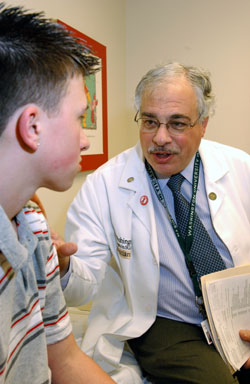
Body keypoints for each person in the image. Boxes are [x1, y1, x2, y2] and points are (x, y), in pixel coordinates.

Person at [61, 62, 250, 383]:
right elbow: (82, 286)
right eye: (150, 121)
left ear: (203, 124)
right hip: (168, 321)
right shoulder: (105, 184)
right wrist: (63, 266)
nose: (160, 138)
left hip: (239, 310)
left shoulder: (240, 167)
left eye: (177, 123)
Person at [0, 3, 115, 383]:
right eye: (80, 118)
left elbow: (65, 359)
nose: (85, 139)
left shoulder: (33, 228)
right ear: (32, 126)